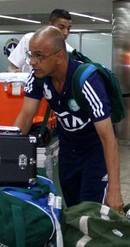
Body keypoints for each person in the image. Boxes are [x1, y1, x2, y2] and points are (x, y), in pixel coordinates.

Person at [13, 25, 124, 213]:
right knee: (73, 210)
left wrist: (115, 189)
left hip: (94, 153)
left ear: (59, 57)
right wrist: (4, 158)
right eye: (31, 54)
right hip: (68, 152)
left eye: (39, 56)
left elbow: (108, 139)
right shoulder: (39, 78)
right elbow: (25, 118)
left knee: (90, 212)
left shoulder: (88, 81)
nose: (32, 61)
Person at [7, 9, 73, 73]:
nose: (65, 33)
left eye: (68, 28)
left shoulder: (69, 51)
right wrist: (16, 75)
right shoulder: (29, 39)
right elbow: (12, 68)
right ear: (50, 25)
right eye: (61, 27)